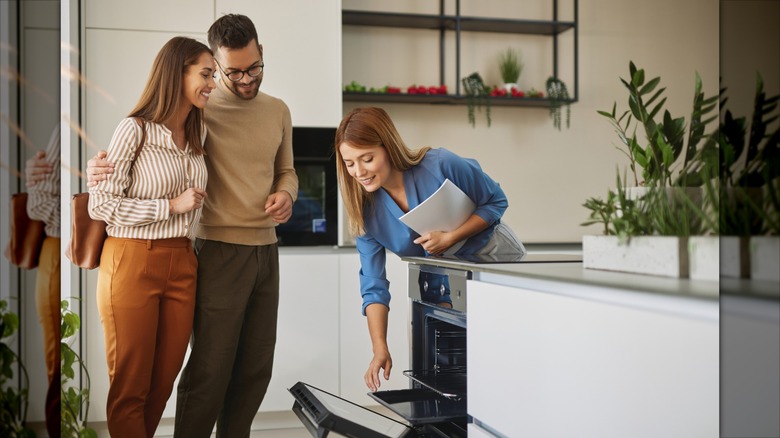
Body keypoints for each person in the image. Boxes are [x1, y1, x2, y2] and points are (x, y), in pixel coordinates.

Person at [84, 14, 298, 437]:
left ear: (262, 53)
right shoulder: (201, 105)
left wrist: (287, 194)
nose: (244, 79)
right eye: (231, 71)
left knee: (256, 367)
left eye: (252, 67)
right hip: (214, 248)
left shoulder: (277, 110)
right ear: (215, 66)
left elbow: (286, 170)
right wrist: (95, 167)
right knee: (209, 369)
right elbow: (145, 141)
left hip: (265, 252)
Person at [334, 107, 526, 392]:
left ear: (388, 147)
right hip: (439, 295)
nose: (359, 172)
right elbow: (373, 285)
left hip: (492, 263)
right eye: (350, 164)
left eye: (367, 158)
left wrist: (453, 236)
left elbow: (496, 201)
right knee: (453, 382)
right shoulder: (365, 210)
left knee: (504, 367)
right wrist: (379, 348)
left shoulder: (440, 164)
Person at [87, 36, 214, 437]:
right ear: (178, 72)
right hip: (131, 260)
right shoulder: (134, 130)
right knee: (131, 384)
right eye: (206, 74)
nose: (213, 84)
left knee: (162, 382)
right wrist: (170, 206)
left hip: (183, 262)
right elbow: (101, 207)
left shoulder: (198, 136)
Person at [25, 126, 61, 438]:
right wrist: (82, 218)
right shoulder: (67, 130)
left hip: (92, 252)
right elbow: (37, 202)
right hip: (58, 253)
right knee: (58, 368)